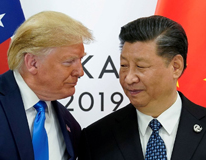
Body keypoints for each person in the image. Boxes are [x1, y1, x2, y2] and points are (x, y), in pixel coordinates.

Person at [0, 11, 93, 160]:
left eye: (80, 60)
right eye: (68, 62)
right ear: (32, 63)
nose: (80, 72)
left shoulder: (70, 125)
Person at [79, 15, 206, 160]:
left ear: (175, 67)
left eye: (141, 66)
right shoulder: (96, 137)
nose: (129, 78)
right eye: (124, 66)